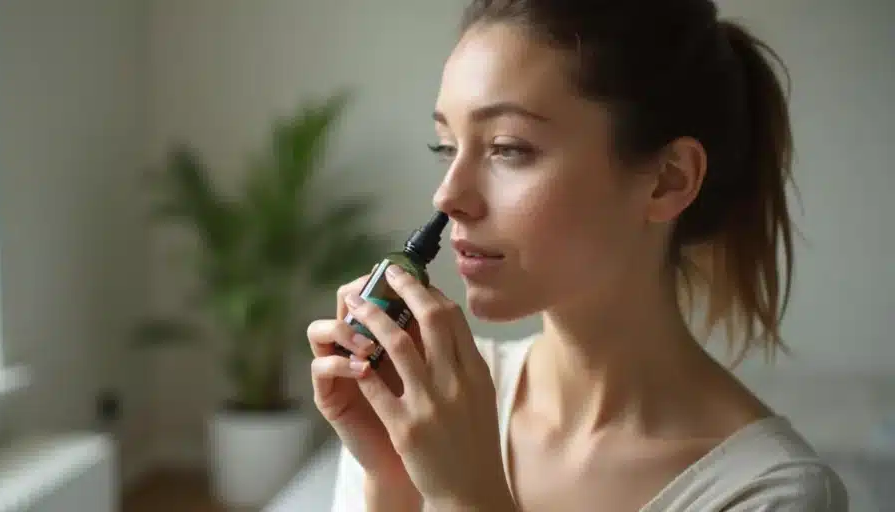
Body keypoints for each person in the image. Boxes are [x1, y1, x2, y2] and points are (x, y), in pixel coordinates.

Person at [307, 0, 850, 510]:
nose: (448, 196)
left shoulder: (774, 493)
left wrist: (464, 499)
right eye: (447, 147)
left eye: (508, 148)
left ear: (668, 180)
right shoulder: (427, 410)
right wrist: (390, 480)